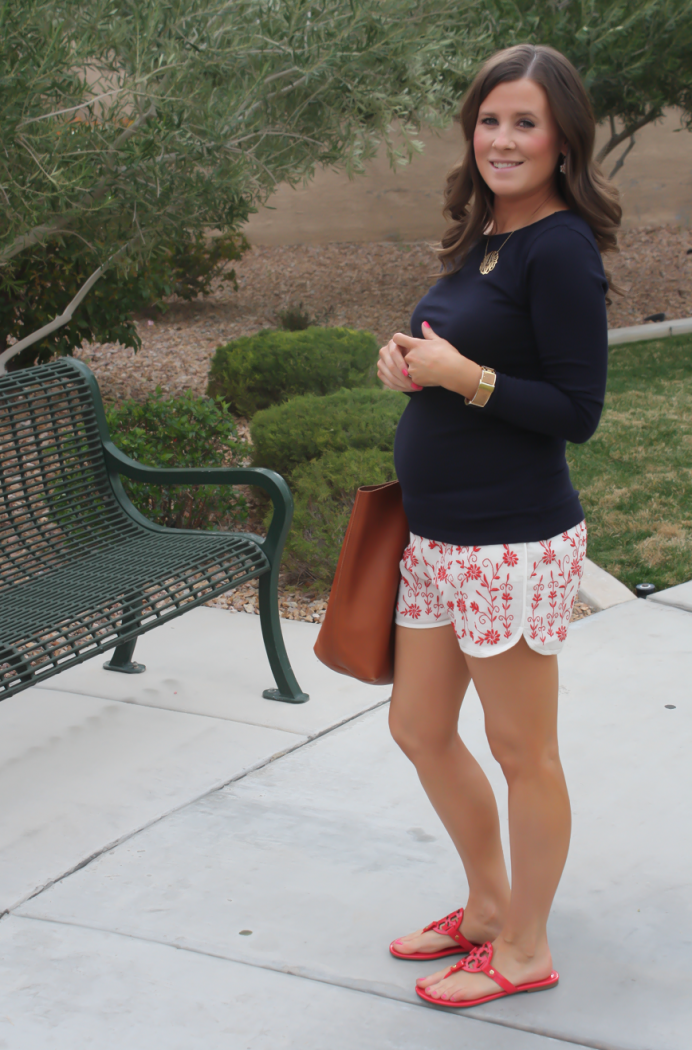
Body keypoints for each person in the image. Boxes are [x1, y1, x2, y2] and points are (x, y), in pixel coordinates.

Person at [376, 43, 621, 1008]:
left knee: (525, 752)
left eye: (525, 121)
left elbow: (577, 410)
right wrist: (403, 364)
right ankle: (485, 907)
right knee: (419, 726)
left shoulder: (557, 246)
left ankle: (525, 948)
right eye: (489, 119)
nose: (503, 138)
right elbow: (451, 350)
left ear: (562, 138)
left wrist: (464, 380)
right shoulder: (483, 237)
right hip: (438, 539)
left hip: (507, 541)